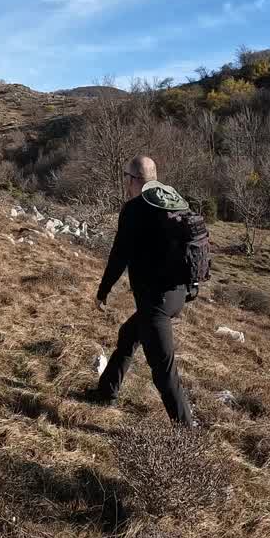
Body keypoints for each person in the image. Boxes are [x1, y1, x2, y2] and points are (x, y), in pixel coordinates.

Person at [85, 155, 195, 426]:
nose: (124, 181)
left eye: (126, 176)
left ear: (133, 180)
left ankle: (187, 434)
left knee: (163, 371)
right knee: (128, 335)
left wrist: (103, 291)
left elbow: (119, 255)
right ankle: (106, 391)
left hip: (155, 300)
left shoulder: (135, 209)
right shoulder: (175, 203)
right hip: (179, 293)